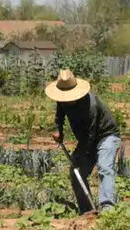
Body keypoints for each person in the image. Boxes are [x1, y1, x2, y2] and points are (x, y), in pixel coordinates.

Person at [45, 69, 122, 216]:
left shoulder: (90, 105)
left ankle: (107, 209)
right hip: (87, 138)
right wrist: (59, 131)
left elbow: (91, 134)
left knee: (105, 167)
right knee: (76, 172)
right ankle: (87, 210)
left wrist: (82, 156)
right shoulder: (62, 100)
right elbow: (59, 116)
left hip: (106, 135)